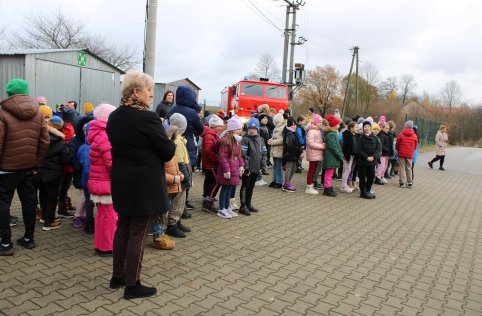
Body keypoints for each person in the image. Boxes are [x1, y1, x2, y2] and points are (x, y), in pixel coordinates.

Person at [107, 71, 175, 299]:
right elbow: (166, 152)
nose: (151, 95)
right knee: (138, 233)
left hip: (121, 180)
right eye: (148, 90)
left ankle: (117, 276)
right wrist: (171, 139)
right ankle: (132, 284)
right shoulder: (147, 118)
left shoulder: (114, 116)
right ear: (136, 91)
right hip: (143, 184)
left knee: (123, 228)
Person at [0, 79, 49, 255]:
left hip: (5, 168)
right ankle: (29, 238)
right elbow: (45, 141)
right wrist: (36, 163)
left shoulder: (2, 112)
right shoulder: (38, 113)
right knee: (28, 201)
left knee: (3, 202)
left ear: (9, 93)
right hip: (28, 167)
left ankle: (5, 243)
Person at [167, 86, 203, 214]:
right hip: (186, 147)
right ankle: (182, 207)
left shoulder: (171, 110)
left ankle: (172, 208)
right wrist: (192, 131)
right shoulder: (192, 112)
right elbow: (200, 129)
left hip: (171, 145)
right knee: (186, 177)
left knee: (174, 175)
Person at [88, 103, 117, 256]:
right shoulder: (106, 135)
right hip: (106, 182)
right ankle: (107, 247)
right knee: (110, 216)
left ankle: (100, 245)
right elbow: (111, 162)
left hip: (98, 181)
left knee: (101, 215)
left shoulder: (97, 133)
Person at [37, 116, 70, 231]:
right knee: (52, 198)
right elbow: (65, 160)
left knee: (43, 195)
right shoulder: (61, 142)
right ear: (60, 128)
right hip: (54, 174)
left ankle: (43, 217)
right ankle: (48, 222)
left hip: (40, 172)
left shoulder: (40, 138)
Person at [165, 113, 192, 238]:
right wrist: (186, 178)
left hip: (180, 175)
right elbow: (180, 162)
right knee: (177, 202)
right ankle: (172, 225)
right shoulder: (178, 142)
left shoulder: (180, 140)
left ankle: (177, 221)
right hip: (180, 176)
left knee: (180, 203)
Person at [217, 117, 244, 219]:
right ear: (232, 129)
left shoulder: (236, 140)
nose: (240, 131)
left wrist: (241, 165)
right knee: (224, 190)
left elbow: (238, 155)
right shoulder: (226, 141)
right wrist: (226, 169)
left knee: (229, 189)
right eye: (238, 129)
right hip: (228, 169)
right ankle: (222, 208)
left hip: (234, 169)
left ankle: (227, 206)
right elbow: (222, 157)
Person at [239, 117, 267, 216]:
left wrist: (262, 165)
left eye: (254, 129)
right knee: (245, 186)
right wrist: (246, 167)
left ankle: (248, 204)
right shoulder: (245, 139)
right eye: (250, 128)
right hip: (248, 169)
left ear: (257, 129)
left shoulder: (260, 139)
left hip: (256, 167)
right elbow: (243, 154)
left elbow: (264, 153)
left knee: (251, 186)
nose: (252, 130)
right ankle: (243, 206)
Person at [201, 115, 224, 214]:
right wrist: (217, 158)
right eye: (219, 126)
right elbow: (207, 150)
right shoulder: (210, 135)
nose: (221, 128)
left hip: (210, 163)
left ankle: (207, 198)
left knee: (209, 181)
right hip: (211, 164)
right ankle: (208, 203)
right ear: (214, 126)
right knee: (216, 182)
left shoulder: (212, 135)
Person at [357, 121, 381, 199]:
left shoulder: (374, 137)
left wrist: (373, 157)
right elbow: (359, 149)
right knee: (362, 177)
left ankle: (368, 190)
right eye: (365, 127)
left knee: (371, 176)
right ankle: (363, 192)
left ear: (370, 127)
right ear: (363, 128)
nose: (366, 128)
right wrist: (366, 157)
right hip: (363, 161)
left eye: (368, 126)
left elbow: (378, 149)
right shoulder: (361, 138)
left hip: (372, 161)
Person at [322, 115, 344, 197]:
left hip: (332, 156)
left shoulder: (333, 133)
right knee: (329, 173)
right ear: (334, 125)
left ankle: (328, 187)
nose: (339, 125)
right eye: (338, 124)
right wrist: (340, 155)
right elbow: (333, 146)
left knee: (330, 173)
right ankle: (327, 188)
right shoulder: (331, 134)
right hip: (331, 156)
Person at [305, 114, 325, 195]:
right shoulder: (311, 131)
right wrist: (322, 146)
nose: (321, 123)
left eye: (321, 122)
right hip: (313, 153)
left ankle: (311, 185)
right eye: (319, 122)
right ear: (315, 122)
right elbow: (310, 143)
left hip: (317, 153)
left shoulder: (317, 130)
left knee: (314, 170)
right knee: (311, 170)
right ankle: (309, 187)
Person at [282, 117, 302, 192]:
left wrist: (299, 151)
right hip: (290, 154)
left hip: (294, 154)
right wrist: (298, 151)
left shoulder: (294, 133)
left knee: (294, 168)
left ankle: (288, 182)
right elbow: (290, 146)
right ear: (289, 125)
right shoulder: (289, 134)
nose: (294, 126)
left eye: (295, 125)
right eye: (292, 125)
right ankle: (286, 184)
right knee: (289, 169)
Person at [396, 120, 418, 188]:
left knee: (402, 168)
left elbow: (397, 144)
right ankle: (409, 182)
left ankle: (402, 182)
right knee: (409, 168)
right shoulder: (414, 135)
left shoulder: (401, 134)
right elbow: (415, 145)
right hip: (409, 154)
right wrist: (412, 151)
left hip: (401, 153)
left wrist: (398, 149)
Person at [268, 113, 285, 188]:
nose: (273, 122)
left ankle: (279, 181)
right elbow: (274, 137)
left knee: (278, 166)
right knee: (275, 166)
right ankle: (274, 180)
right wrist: (270, 140)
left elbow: (282, 140)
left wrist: (273, 142)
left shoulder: (282, 128)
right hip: (275, 150)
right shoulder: (276, 128)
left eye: (274, 121)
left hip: (279, 150)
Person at [340, 122, 357, 193]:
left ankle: (345, 185)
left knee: (347, 170)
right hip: (348, 156)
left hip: (351, 155)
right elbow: (346, 148)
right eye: (355, 127)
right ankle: (343, 186)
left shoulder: (353, 135)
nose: (357, 128)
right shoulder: (348, 136)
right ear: (351, 128)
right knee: (347, 170)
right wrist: (347, 158)